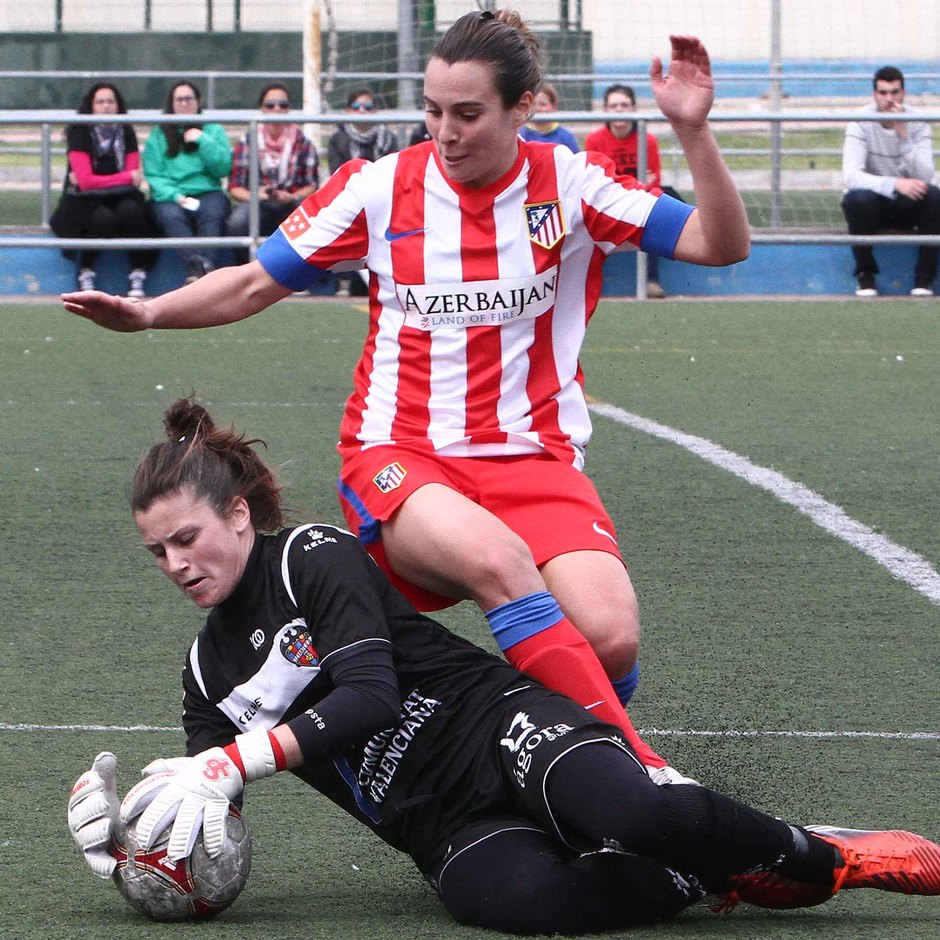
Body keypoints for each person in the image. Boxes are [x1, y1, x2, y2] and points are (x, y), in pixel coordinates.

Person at [62, 13, 753, 786]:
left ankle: (553, 764)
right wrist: (154, 312)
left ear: (524, 107)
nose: (446, 132)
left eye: (468, 113)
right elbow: (257, 280)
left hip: (534, 457)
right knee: (498, 562)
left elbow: (719, 245)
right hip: (402, 456)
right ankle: (644, 779)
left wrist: (693, 132)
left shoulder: (571, 182)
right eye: (432, 110)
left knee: (611, 636)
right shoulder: (378, 188)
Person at [66, 397, 940, 934]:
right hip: (437, 826)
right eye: (157, 552)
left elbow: (369, 696)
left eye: (187, 537)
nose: (177, 563)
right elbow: (218, 833)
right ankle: (698, 866)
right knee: (526, 906)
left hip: (498, 729)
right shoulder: (204, 678)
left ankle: (819, 856)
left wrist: (227, 759)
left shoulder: (314, 557)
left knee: (631, 806)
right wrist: (131, 851)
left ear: (240, 517)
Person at [49, 82, 157, 297]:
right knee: (103, 219)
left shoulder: (126, 130)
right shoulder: (79, 132)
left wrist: (106, 179)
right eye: (100, 102)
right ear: (91, 106)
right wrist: (123, 177)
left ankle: (137, 272)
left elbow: (133, 179)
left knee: (132, 212)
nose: (106, 106)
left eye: (110, 101)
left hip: (123, 196)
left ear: (118, 106)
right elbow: (86, 182)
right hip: (84, 200)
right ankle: (85, 271)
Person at [841, 65, 940, 298]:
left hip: (908, 203)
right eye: (883, 93)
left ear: (903, 93)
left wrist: (904, 137)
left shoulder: (917, 121)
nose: (889, 99)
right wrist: (894, 183)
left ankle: (923, 280)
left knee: (934, 196)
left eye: (895, 92)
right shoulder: (860, 121)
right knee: (856, 199)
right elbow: (850, 176)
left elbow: (925, 176)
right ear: (874, 95)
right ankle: (865, 276)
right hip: (875, 204)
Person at [585, 83, 686, 298]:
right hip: (608, 198)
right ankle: (588, 280)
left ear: (633, 108)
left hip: (639, 196)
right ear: (606, 110)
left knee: (666, 205)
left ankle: (651, 279)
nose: (619, 109)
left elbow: (653, 180)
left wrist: (634, 186)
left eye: (624, 104)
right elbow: (593, 182)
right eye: (614, 106)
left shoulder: (647, 139)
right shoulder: (595, 139)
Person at [143, 81, 233, 284]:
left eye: (189, 99)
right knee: (171, 216)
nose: (184, 103)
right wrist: (176, 196)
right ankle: (196, 266)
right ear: (171, 104)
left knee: (213, 213)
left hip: (208, 191)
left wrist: (203, 140)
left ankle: (204, 270)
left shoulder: (213, 130)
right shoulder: (158, 134)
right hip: (171, 196)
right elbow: (154, 175)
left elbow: (223, 168)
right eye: (179, 99)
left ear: (198, 101)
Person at [226, 83, 320, 265]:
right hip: (256, 202)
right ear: (262, 108)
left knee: (311, 223)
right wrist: (257, 196)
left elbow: (312, 186)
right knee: (236, 224)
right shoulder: (248, 140)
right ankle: (248, 270)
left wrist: (291, 196)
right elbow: (235, 188)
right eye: (270, 105)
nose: (277, 109)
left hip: (291, 201)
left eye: (282, 105)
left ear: (289, 109)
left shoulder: (303, 142)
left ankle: (299, 274)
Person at [327, 87, 399, 297]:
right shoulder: (338, 139)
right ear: (348, 111)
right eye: (356, 106)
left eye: (367, 107)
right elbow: (337, 175)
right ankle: (341, 280)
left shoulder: (387, 138)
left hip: (383, 199)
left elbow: (392, 171)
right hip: (349, 198)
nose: (362, 111)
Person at [519, 81, 580, 153]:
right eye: (533, 104)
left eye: (543, 104)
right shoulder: (521, 135)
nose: (537, 108)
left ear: (554, 107)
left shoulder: (566, 137)